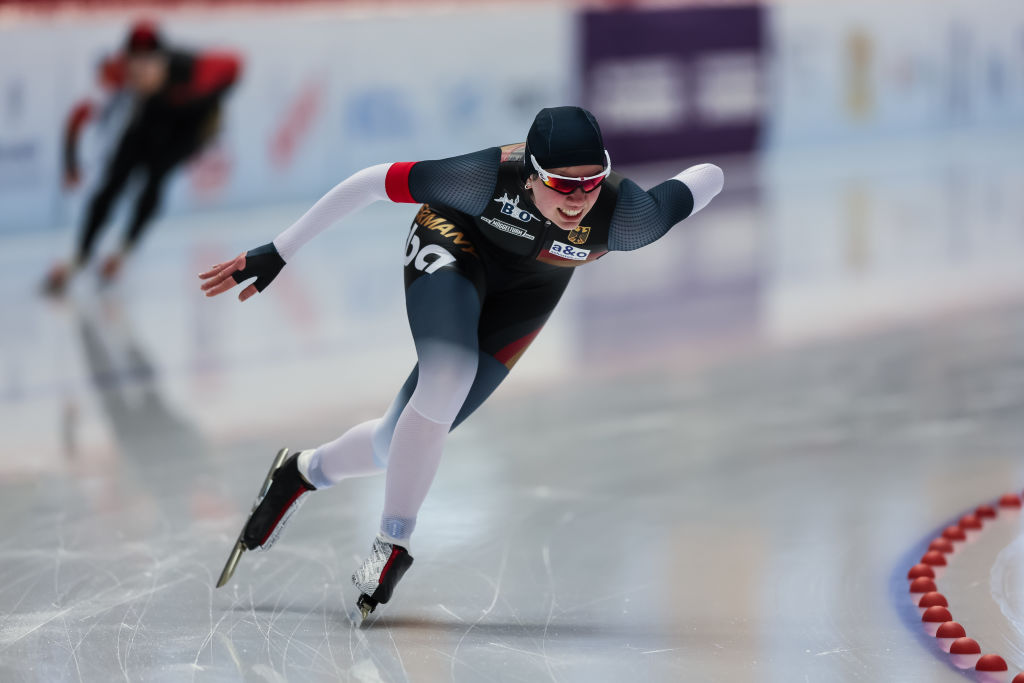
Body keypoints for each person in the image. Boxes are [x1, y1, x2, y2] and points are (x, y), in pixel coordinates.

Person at [200, 106, 724, 618]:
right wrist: (281, 250)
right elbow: (371, 181)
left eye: (591, 182)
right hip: (454, 241)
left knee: (394, 444)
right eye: (562, 184)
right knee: (447, 377)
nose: (578, 199)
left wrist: (694, 177)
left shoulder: (628, 217)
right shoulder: (482, 180)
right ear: (530, 174)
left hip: (530, 291)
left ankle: (301, 471)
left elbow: (710, 175)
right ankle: (392, 544)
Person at [42, 20, 241, 296]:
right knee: (112, 183)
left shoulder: (192, 69)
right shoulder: (118, 72)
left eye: (147, 70)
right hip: (152, 117)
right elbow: (78, 117)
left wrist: (212, 98)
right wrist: (71, 163)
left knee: (156, 175)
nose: (141, 78)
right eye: (134, 72)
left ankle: (123, 251)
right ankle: (80, 257)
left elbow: (234, 64)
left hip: (192, 127)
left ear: (163, 62)